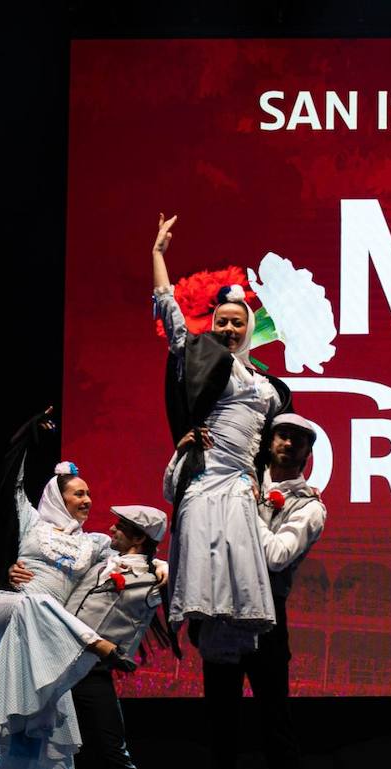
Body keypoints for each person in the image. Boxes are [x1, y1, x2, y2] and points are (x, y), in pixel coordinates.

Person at [0, 410, 141, 769]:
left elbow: (132, 558)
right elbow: (11, 478)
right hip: (10, 610)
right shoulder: (31, 521)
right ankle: (98, 645)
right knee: (36, 603)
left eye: (89, 493)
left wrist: (159, 566)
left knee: (34, 716)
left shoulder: (92, 544)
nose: (88, 499)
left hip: (44, 635)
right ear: (58, 498)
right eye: (79, 493)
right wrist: (29, 434)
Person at [152, 213, 291, 664]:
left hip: (240, 483)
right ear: (212, 326)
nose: (229, 329)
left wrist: (261, 476)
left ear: (249, 327)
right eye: (222, 322)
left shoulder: (267, 383)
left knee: (238, 593)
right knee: (205, 589)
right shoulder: (211, 361)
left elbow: (274, 438)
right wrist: (158, 256)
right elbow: (173, 322)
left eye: (237, 323)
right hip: (206, 475)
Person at [10, 506, 170, 769]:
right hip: (54, 659)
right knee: (35, 739)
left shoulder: (151, 577)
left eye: (121, 526)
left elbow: (174, 573)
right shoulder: (100, 560)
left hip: (90, 667)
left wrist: (162, 564)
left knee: (110, 749)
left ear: (139, 536)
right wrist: (18, 570)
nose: (112, 528)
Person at [203, 413, 326, 769]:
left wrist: (245, 508)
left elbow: (275, 557)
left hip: (270, 616)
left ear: (308, 453)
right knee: (220, 723)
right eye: (282, 436)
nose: (288, 444)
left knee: (276, 722)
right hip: (224, 607)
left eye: (298, 440)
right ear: (269, 441)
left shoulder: (309, 506)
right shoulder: (241, 481)